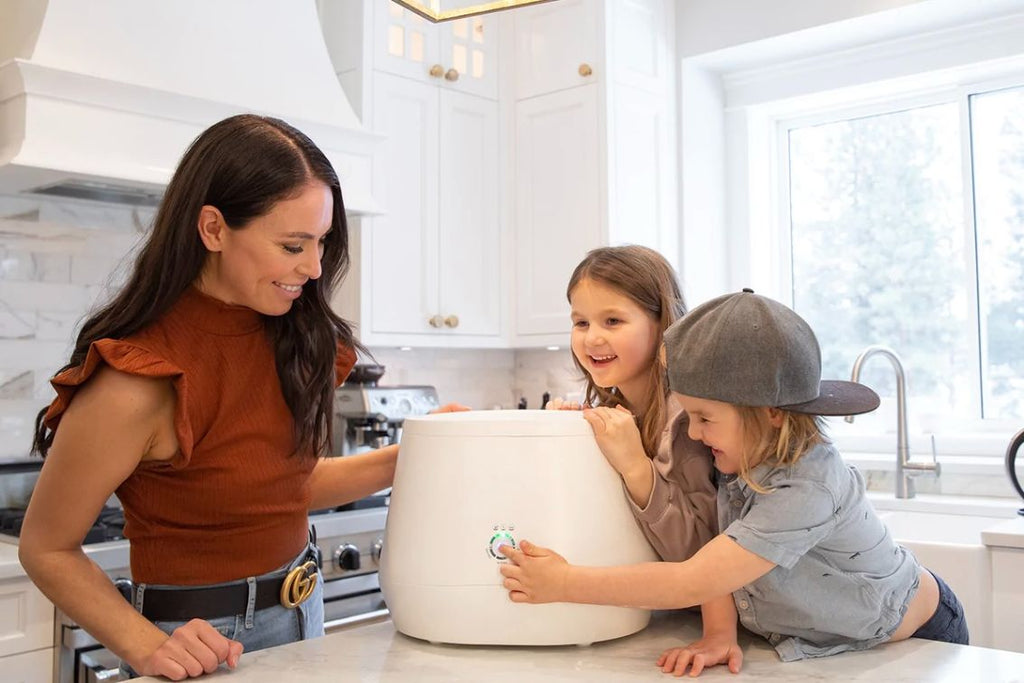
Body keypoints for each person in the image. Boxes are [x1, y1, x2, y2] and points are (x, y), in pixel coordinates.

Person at [18, 114, 463, 681]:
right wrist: (146, 645)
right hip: (208, 640)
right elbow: (46, 547)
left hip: (306, 604)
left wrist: (419, 455)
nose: (314, 267)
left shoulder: (293, 338)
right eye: (292, 245)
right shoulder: (139, 379)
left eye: (322, 242)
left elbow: (277, 488)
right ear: (213, 229)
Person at [501, 289, 969, 676]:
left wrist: (563, 582)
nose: (696, 432)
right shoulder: (744, 451)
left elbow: (691, 579)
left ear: (769, 414)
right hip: (843, 638)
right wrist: (719, 634)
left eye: (704, 418)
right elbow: (717, 548)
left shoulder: (806, 486)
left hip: (919, 636)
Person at [548, 246, 718, 562]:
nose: (592, 339)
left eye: (612, 320)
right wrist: (570, 442)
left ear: (664, 324)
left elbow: (701, 556)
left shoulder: (686, 421)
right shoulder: (616, 407)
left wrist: (637, 467)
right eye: (581, 323)